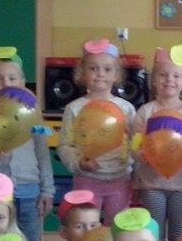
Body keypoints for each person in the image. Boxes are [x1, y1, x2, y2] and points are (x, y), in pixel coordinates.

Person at [0, 47, 54, 241]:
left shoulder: (32, 115)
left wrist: (47, 190)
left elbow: (42, 154)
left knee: (30, 236)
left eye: (12, 78)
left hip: (29, 190)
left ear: (22, 82)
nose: (6, 83)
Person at [132, 45, 182, 241]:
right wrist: (142, 156)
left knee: (178, 232)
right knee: (153, 231)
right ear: (154, 80)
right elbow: (134, 146)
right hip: (152, 183)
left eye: (176, 76)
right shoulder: (145, 111)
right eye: (163, 75)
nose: (169, 80)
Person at [58, 39, 135, 224]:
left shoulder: (127, 108)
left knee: (117, 227)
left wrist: (133, 166)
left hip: (120, 180)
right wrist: (78, 163)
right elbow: (65, 145)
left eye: (107, 69)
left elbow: (136, 142)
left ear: (116, 75)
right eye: (93, 68)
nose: (100, 74)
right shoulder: (74, 108)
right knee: (85, 227)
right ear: (82, 73)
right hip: (86, 179)